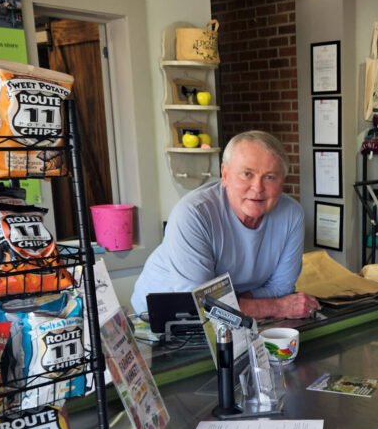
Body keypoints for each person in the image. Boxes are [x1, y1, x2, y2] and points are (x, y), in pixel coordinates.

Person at [131, 130, 320, 320]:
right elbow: (199, 305)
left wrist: (234, 303)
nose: (258, 188)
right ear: (225, 174)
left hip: (234, 319)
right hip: (160, 318)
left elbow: (281, 288)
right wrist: (276, 307)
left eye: (270, 177)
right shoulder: (193, 213)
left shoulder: (292, 214)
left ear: (282, 181)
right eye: (247, 174)